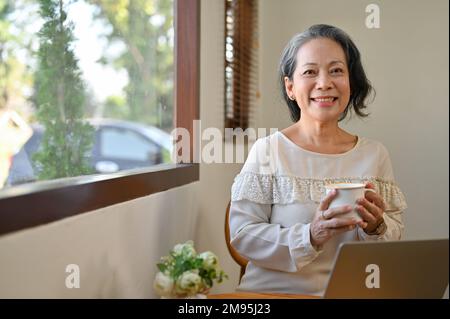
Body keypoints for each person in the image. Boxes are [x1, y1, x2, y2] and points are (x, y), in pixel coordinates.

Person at [228, 24, 407, 296]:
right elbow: (243, 236)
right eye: (310, 72)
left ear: (351, 82)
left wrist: (377, 226)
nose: (324, 83)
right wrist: (310, 235)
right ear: (290, 87)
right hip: (271, 295)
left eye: (336, 70)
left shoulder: (375, 154)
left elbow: (392, 242)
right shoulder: (268, 151)